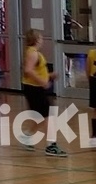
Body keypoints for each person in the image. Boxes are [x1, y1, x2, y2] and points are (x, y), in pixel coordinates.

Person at [19, 29, 66, 157]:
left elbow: (36, 70)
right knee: (48, 116)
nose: (42, 40)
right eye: (40, 38)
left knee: (41, 116)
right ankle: (51, 145)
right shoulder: (33, 53)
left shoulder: (33, 53)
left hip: (34, 87)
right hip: (34, 88)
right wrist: (43, 82)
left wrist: (49, 76)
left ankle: (27, 137)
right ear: (36, 40)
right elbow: (28, 70)